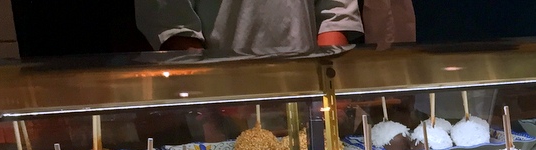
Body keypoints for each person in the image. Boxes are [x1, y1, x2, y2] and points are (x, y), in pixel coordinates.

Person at [135, 0, 366, 55]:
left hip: (309, 94)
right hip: (223, 100)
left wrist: (331, 92)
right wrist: (208, 114)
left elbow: (334, 13)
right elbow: (175, 27)